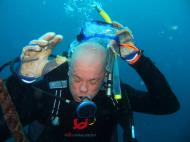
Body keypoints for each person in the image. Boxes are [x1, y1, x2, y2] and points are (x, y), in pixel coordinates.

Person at [0, 21, 180, 142]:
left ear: (105, 76)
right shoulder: (49, 92)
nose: (83, 89)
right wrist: (22, 79)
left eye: (94, 80)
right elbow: (3, 128)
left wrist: (136, 59)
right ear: (68, 71)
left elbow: (168, 105)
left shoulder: (115, 94)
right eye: (77, 78)